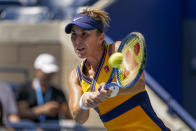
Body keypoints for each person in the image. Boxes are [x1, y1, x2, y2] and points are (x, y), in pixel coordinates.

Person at [65, 8, 170, 131]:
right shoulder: (75, 76)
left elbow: (139, 83)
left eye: (84, 34)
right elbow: (78, 118)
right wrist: (84, 102)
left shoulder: (118, 49)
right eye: (74, 35)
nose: (77, 41)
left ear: (100, 38)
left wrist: (112, 90)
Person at [16, 53, 72, 123]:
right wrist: (43, 110)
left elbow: (70, 116)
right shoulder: (24, 89)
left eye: (51, 72)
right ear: (37, 70)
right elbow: (20, 112)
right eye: (46, 72)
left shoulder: (58, 92)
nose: (48, 75)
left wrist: (62, 111)